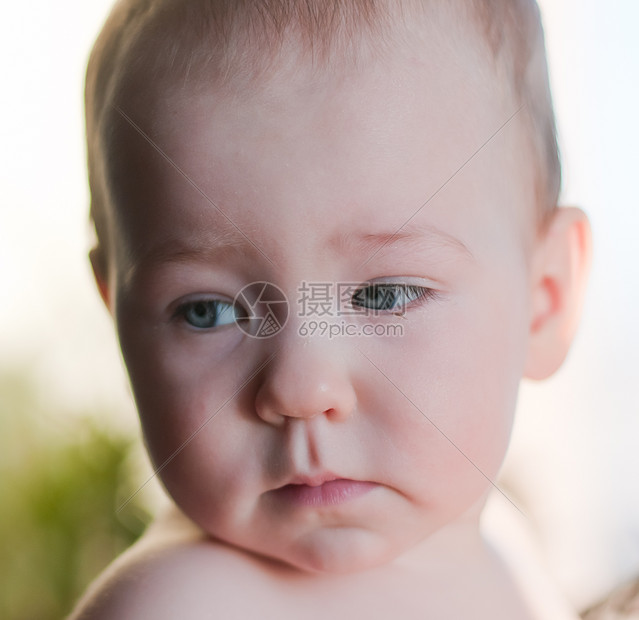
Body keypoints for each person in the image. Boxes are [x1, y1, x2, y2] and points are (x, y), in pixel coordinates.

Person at [70, 0, 592, 617]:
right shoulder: (183, 606)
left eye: (384, 295)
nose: (299, 389)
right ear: (118, 321)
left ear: (545, 300)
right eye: (209, 310)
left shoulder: (509, 556)